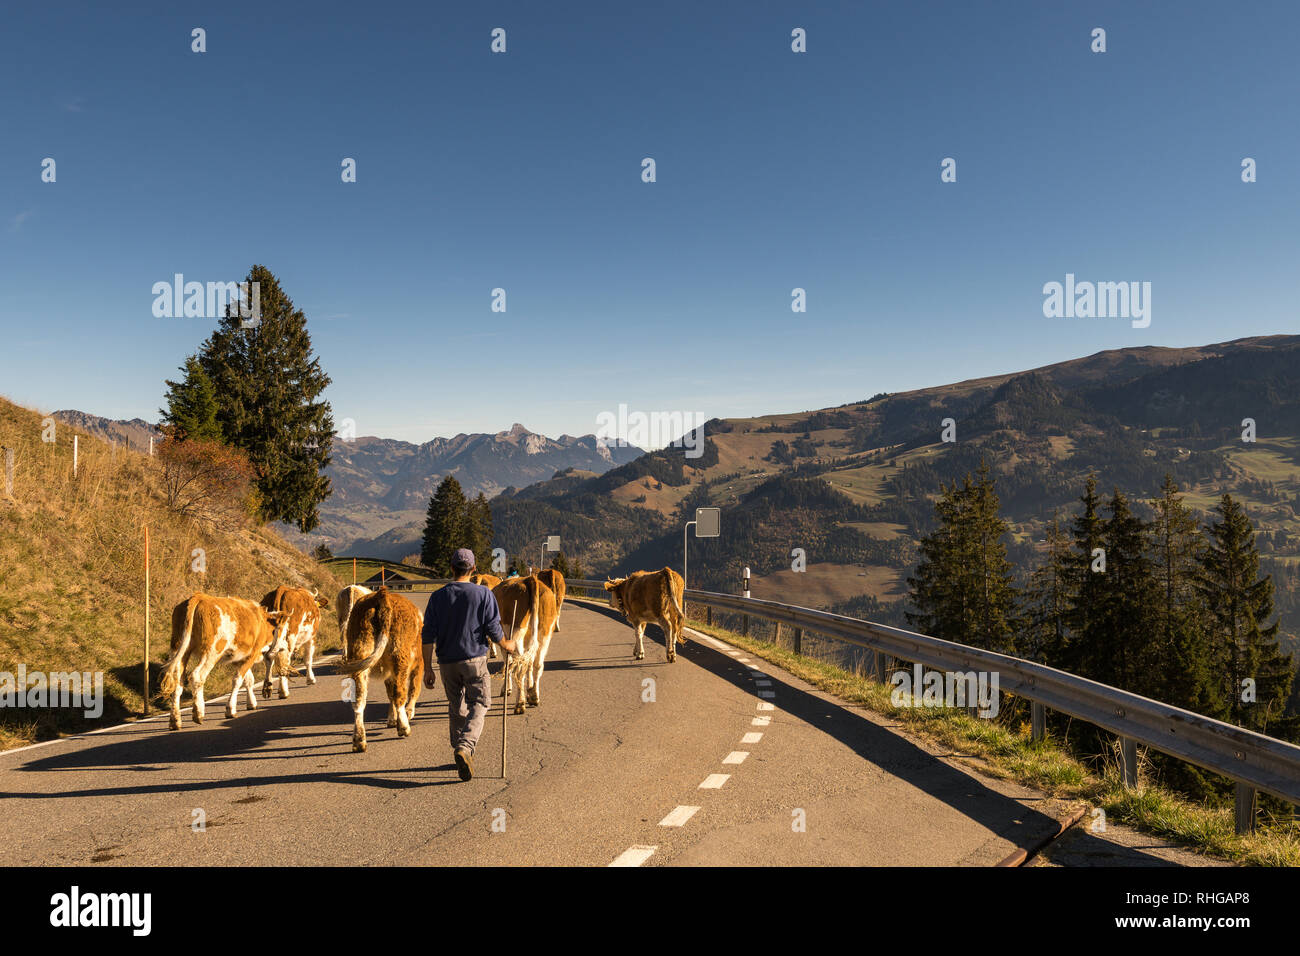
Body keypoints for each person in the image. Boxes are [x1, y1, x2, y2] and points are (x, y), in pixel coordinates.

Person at [421, 548, 516, 780]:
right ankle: (465, 747)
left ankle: (459, 750)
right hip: (474, 659)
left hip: (446, 663)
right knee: (481, 703)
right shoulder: (484, 594)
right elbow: (494, 630)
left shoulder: (437, 597)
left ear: (452, 568)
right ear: (473, 569)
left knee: (457, 706)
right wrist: (507, 645)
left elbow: (427, 636)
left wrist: (427, 668)